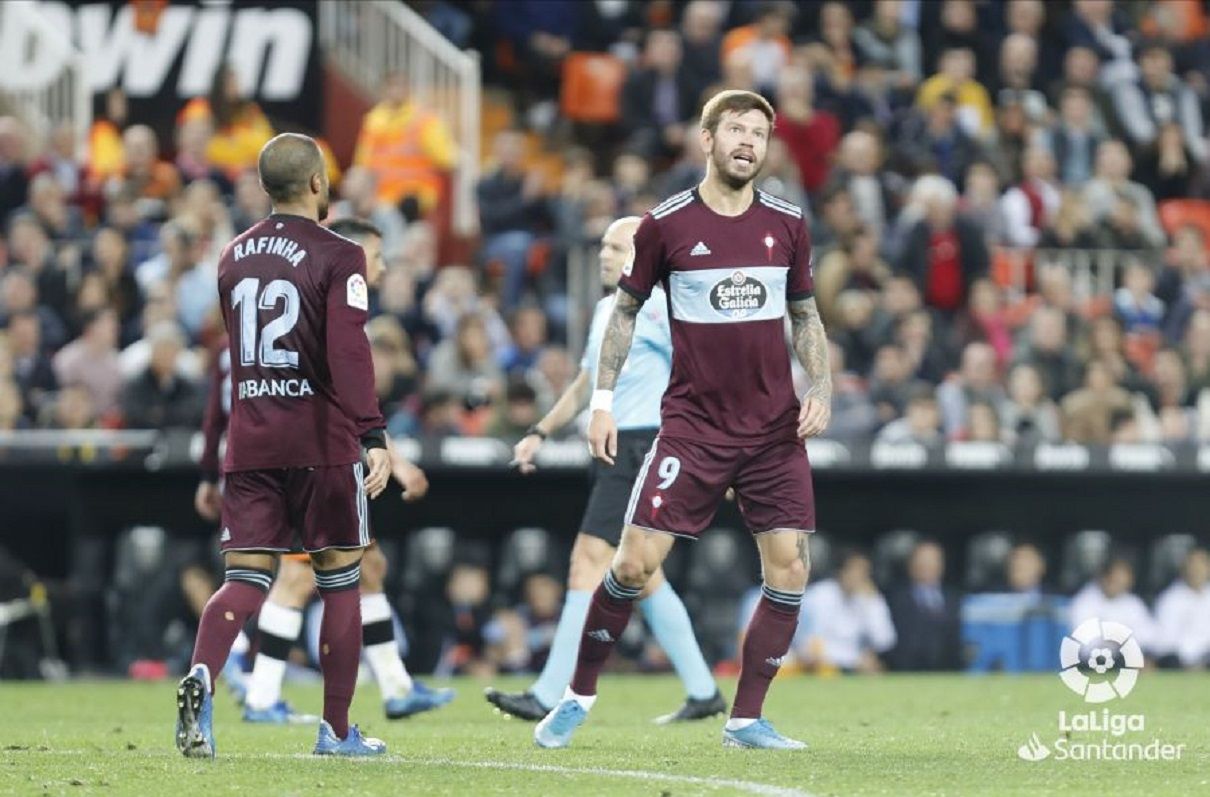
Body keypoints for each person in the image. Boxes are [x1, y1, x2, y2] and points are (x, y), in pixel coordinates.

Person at [534, 89, 831, 751]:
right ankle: (577, 695)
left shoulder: (786, 224)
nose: (748, 142)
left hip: (772, 430)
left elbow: (806, 316)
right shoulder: (665, 225)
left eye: (758, 132)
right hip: (694, 428)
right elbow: (624, 314)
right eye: (736, 130)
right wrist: (603, 400)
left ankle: (745, 718)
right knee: (633, 563)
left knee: (790, 567)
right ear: (707, 140)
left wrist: (824, 386)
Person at [175, 133, 391, 759]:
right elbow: (349, 351)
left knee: (246, 578)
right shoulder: (341, 254)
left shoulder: (232, 255)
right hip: (320, 439)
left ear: (266, 188)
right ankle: (338, 731)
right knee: (340, 575)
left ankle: (202, 678)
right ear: (320, 184)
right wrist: (372, 432)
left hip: (250, 440)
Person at [194, 218, 451, 726]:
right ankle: (279, 700)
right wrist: (387, 450)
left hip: (253, 450)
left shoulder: (237, 278)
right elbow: (340, 379)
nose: (377, 265)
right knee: (316, 579)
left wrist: (208, 471)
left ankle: (395, 684)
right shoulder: (329, 286)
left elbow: (217, 407)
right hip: (311, 456)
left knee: (352, 570)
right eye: (376, 255)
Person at [485, 216, 724, 724]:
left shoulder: (659, 306)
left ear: (641, 255)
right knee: (644, 575)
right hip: (614, 445)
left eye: (616, 247)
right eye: (603, 246)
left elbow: (703, 373)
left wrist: (712, 449)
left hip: (642, 445)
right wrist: (539, 432)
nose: (604, 254)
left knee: (587, 562)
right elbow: (586, 384)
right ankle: (704, 692)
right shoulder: (605, 309)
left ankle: (549, 693)